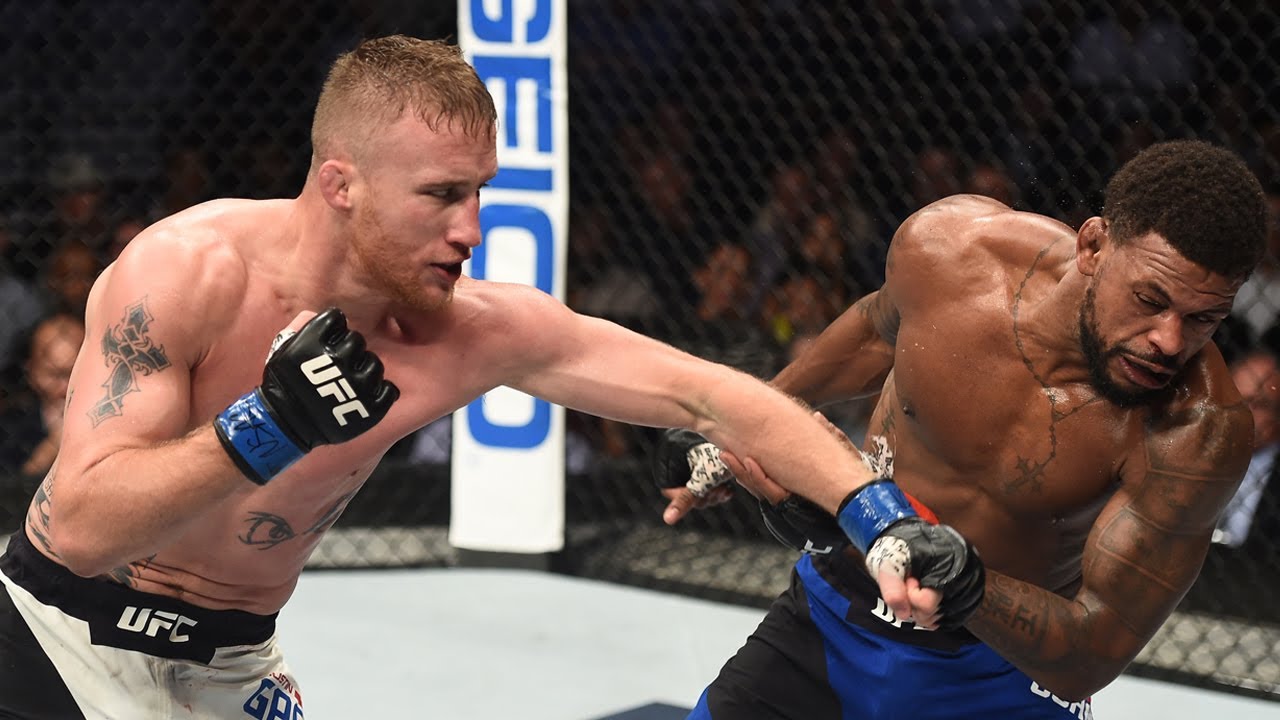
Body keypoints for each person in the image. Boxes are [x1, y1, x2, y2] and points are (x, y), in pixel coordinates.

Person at [0, 36, 972, 718]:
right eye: (440, 195)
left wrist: (882, 519)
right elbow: (80, 529)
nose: (470, 229)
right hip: (61, 634)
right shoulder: (187, 272)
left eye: (478, 193)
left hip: (230, 664)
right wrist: (268, 425)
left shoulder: (471, 330)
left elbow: (713, 394)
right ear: (340, 184)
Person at [656, 139, 1268, 718]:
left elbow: (1092, 650)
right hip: (832, 613)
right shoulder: (953, 254)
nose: (1170, 341)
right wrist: (744, 421)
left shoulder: (1195, 430)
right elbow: (877, 331)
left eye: (1203, 319)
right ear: (1093, 246)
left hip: (1000, 677)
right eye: (1149, 300)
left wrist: (947, 574)